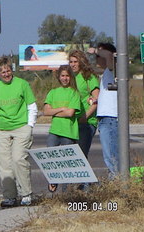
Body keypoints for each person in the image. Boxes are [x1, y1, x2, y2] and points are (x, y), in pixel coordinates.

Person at [0, 56, 38, 207]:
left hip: (21, 127)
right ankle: (10, 196)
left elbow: (32, 107)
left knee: (18, 159)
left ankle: (26, 194)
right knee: (4, 163)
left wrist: (30, 126)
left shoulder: (22, 84)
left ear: (12, 70)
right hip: (3, 130)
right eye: (2, 72)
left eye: (8, 70)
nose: (6, 74)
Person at [43, 65, 81, 192]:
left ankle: (67, 191)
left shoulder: (74, 93)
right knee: (50, 158)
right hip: (55, 130)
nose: (65, 78)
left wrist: (55, 112)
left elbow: (70, 113)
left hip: (68, 132)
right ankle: (53, 181)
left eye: (67, 76)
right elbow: (46, 111)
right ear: (59, 77)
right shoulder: (53, 92)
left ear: (71, 77)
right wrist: (61, 109)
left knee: (67, 162)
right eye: (62, 76)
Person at [69, 49, 99, 190]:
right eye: (71, 62)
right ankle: (88, 182)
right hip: (72, 122)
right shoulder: (70, 77)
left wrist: (86, 116)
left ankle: (85, 184)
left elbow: (96, 100)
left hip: (87, 122)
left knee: (82, 152)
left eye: (76, 61)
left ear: (81, 62)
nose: (73, 64)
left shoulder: (89, 77)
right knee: (75, 154)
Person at [88, 43, 118, 180]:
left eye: (98, 56)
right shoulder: (107, 72)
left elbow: (110, 55)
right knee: (109, 155)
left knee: (112, 155)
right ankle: (115, 180)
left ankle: (117, 182)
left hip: (111, 118)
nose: (96, 59)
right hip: (105, 118)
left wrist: (97, 50)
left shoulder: (115, 69)